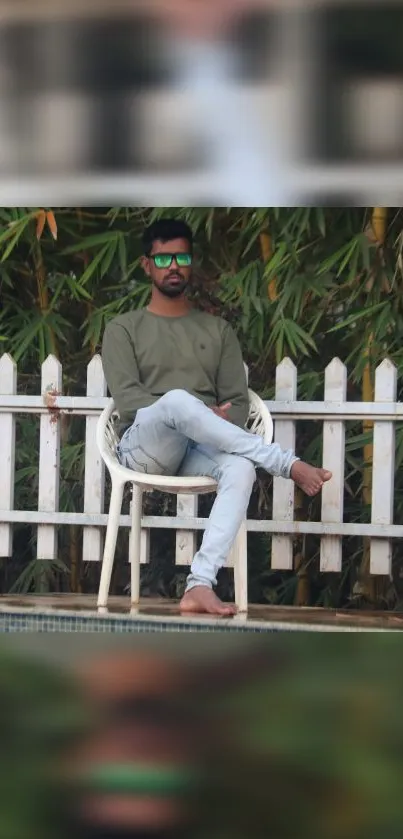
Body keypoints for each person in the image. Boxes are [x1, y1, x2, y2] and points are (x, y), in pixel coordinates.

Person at [101, 219, 331, 616]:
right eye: (164, 257)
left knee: (241, 469)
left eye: (183, 256)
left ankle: (199, 585)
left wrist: (205, 419)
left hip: (201, 447)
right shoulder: (123, 328)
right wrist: (188, 410)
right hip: (145, 444)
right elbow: (130, 402)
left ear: (191, 263)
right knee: (175, 402)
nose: (174, 265)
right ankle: (284, 462)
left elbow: (237, 404)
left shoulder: (218, 330)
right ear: (146, 264)